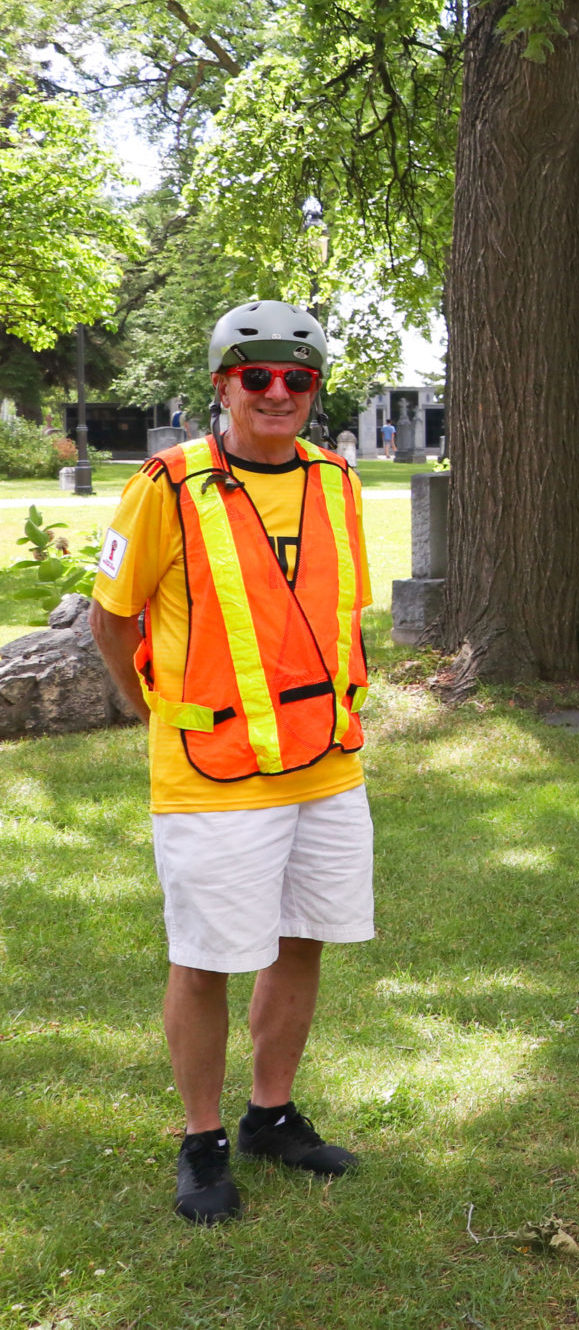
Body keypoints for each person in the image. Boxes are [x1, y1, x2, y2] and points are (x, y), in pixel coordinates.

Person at [87, 299, 374, 1225]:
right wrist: (156, 717)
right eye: (258, 377)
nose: (279, 393)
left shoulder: (337, 481)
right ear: (223, 385)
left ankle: (272, 1115)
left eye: (299, 378)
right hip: (211, 773)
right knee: (207, 957)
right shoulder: (167, 486)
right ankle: (203, 1141)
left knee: (301, 943)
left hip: (325, 767)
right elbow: (112, 618)